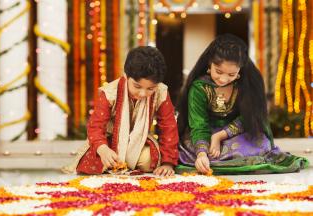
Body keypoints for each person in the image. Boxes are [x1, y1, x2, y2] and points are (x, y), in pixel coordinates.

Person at [176, 34, 309, 174]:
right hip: (204, 134)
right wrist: (202, 153)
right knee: (188, 152)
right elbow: (198, 123)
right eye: (219, 71)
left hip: (235, 133)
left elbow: (249, 117)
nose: (223, 79)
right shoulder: (199, 87)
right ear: (210, 64)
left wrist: (220, 136)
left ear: (240, 70)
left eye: (231, 74)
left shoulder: (245, 85)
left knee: (259, 145)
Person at [64, 46, 179, 176]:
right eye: (137, 86)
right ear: (126, 76)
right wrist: (102, 149)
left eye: (150, 89)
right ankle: (117, 161)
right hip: (110, 143)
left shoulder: (161, 92)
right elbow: (95, 126)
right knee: (97, 161)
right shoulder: (110, 92)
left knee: (149, 160)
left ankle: (124, 162)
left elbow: (168, 127)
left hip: (139, 143)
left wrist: (167, 163)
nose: (142, 93)